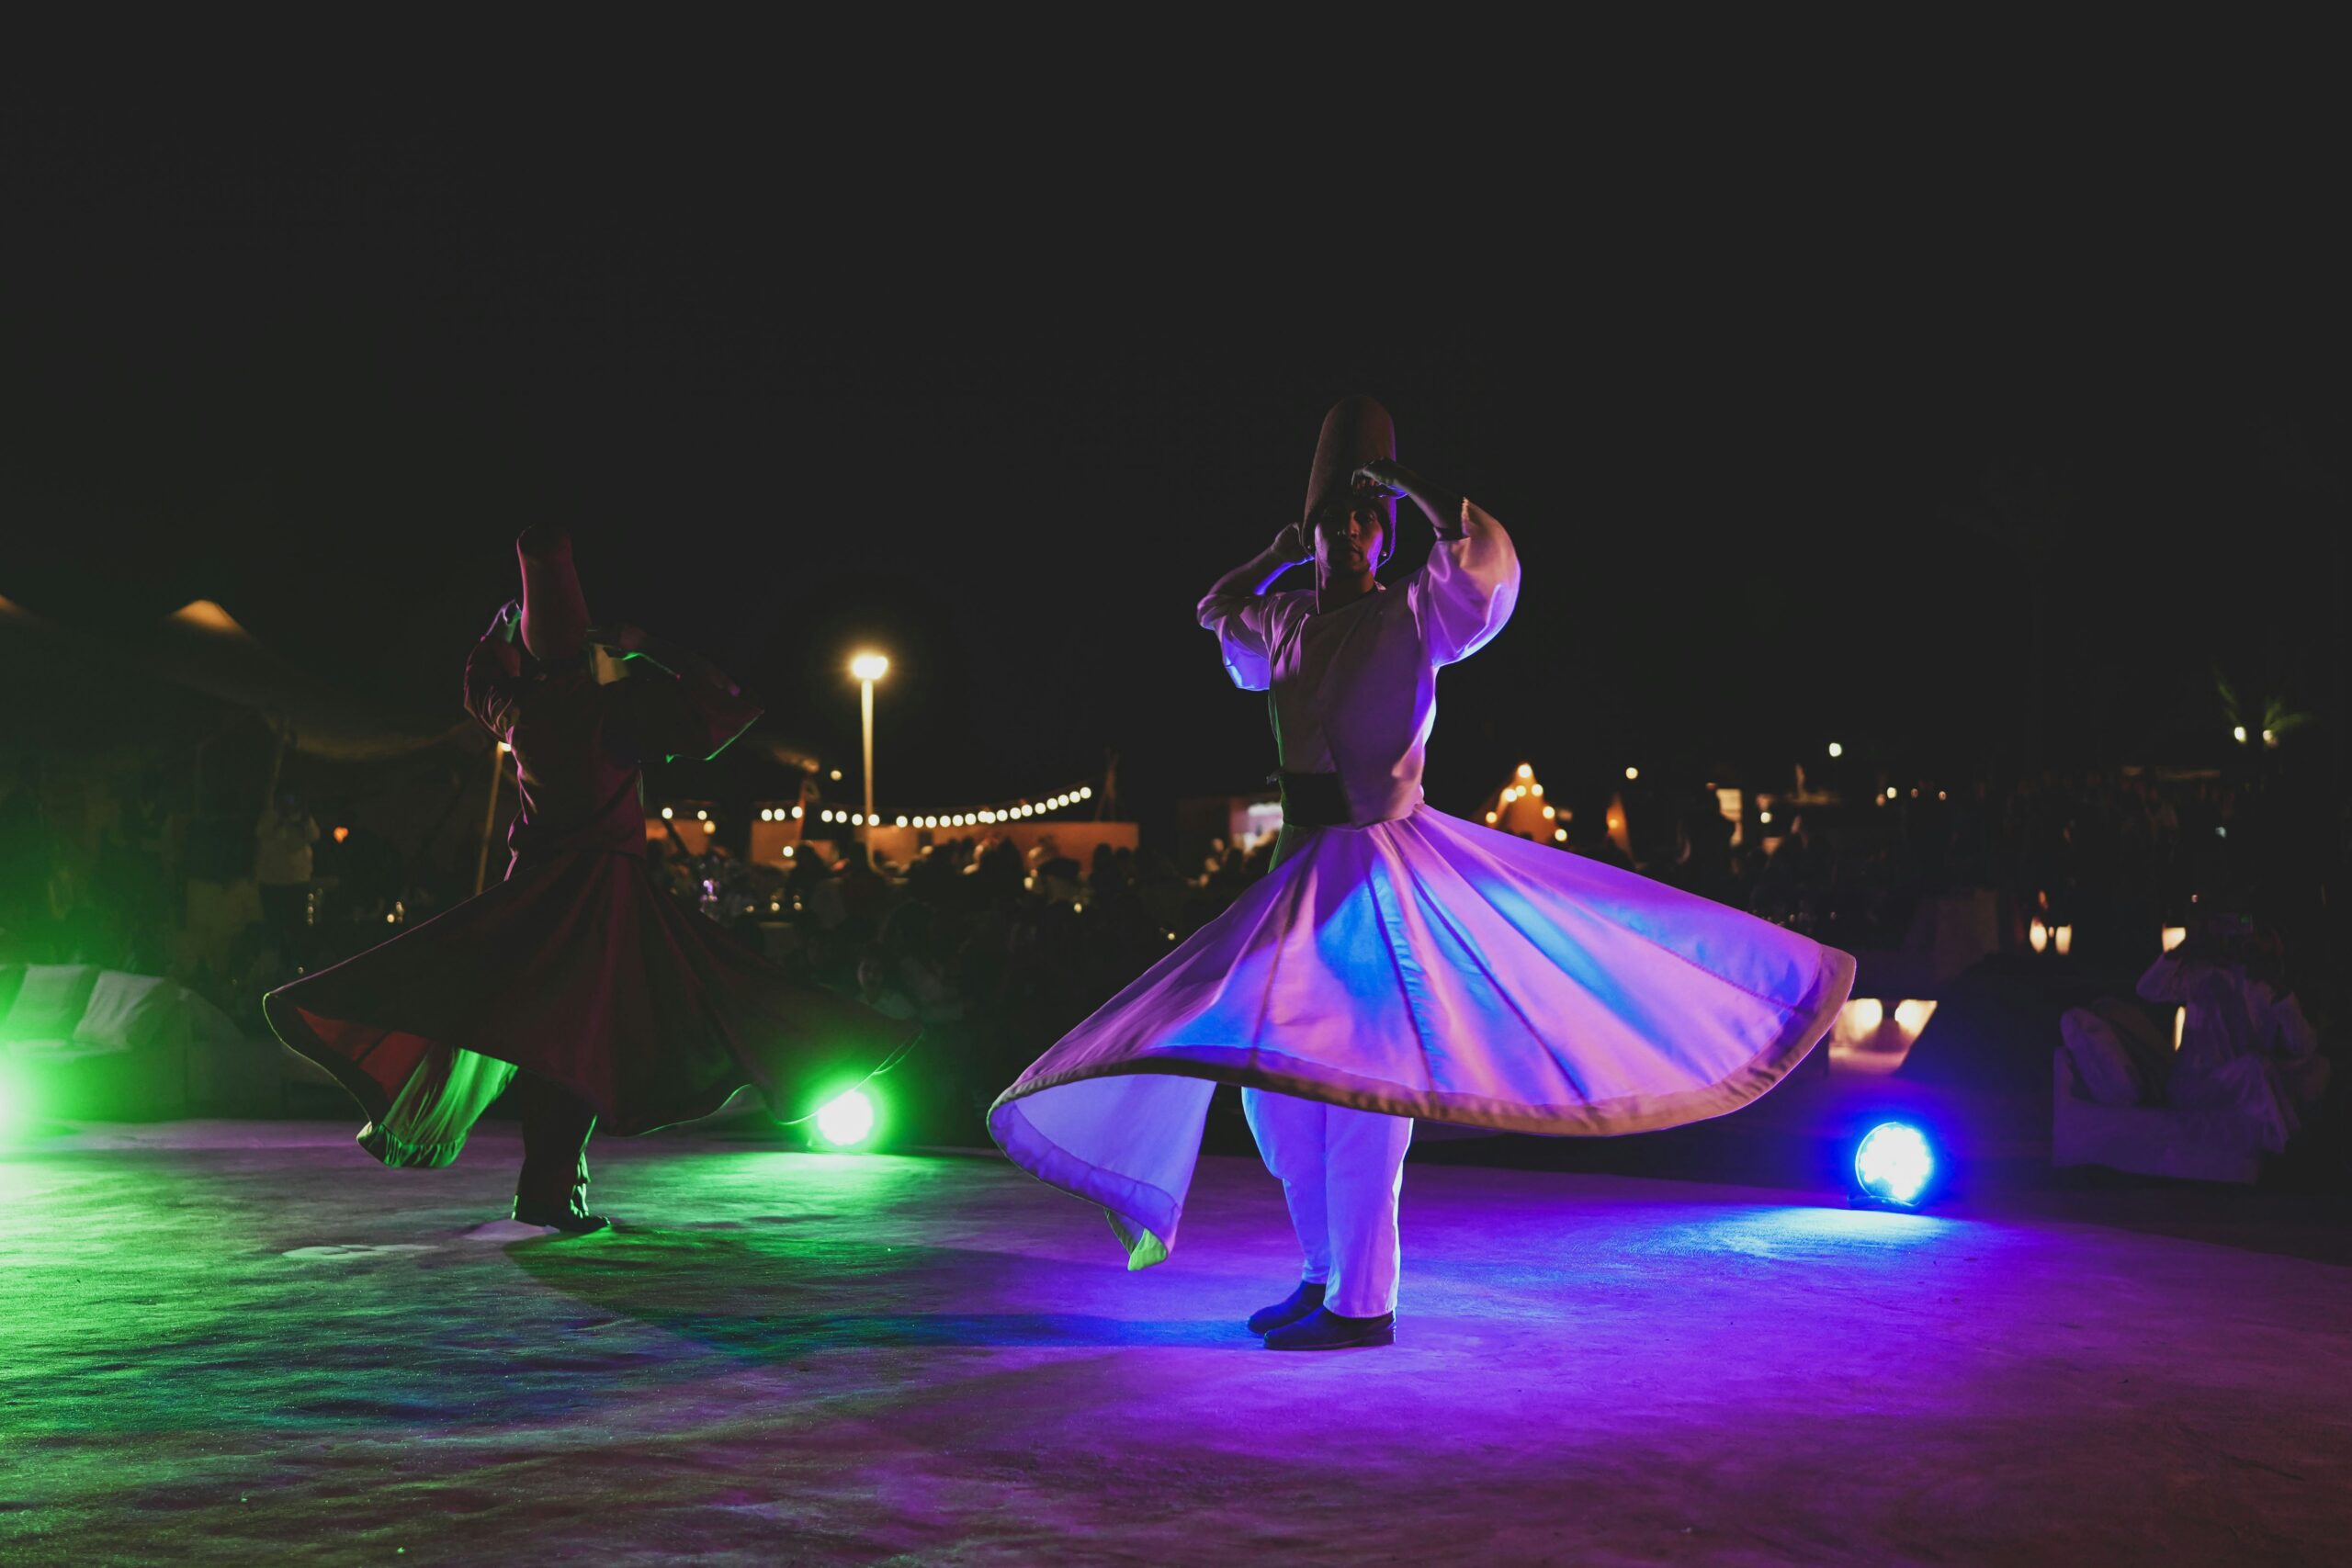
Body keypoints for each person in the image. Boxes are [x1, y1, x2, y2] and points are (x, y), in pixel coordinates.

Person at [990, 397, 1855, 1349]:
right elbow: (1213, 611)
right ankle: (1322, 1274)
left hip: (1381, 868)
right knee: (1273, 1093)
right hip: (1296, 873)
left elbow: (1485, 567)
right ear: (1316, 531)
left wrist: (1403, 487)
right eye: (1339, 519)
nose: (1356, 533)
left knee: (1363, 1090)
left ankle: (1363, 1303)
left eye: (1369, 520)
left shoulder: (1414, 611)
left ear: (1387, 528)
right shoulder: (1281, 620)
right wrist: (1279, 546)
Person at [266, 526, 916, 1232]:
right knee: (680, 1011)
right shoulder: (619, 709)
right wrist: (648, 646)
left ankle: (547, 1186)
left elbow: (479, 682)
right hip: (600, 901)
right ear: (588, 645)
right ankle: (549, 1188)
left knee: (550, 1040)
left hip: (534, 900)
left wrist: (500, 629)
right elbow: (724, 701)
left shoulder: (520, 712)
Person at [2135, 906, 2329, 1154]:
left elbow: (2304, 1047)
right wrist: (2186, 948)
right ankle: (2289, 1148)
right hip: (2200, 1084)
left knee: (2294, 1068)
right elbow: (2147, 989)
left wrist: (2281, 993)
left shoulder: (2266, 989)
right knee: (2254, 1067)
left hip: (2241, 1081)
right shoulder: (2203, 976)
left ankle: (2300, 1142)